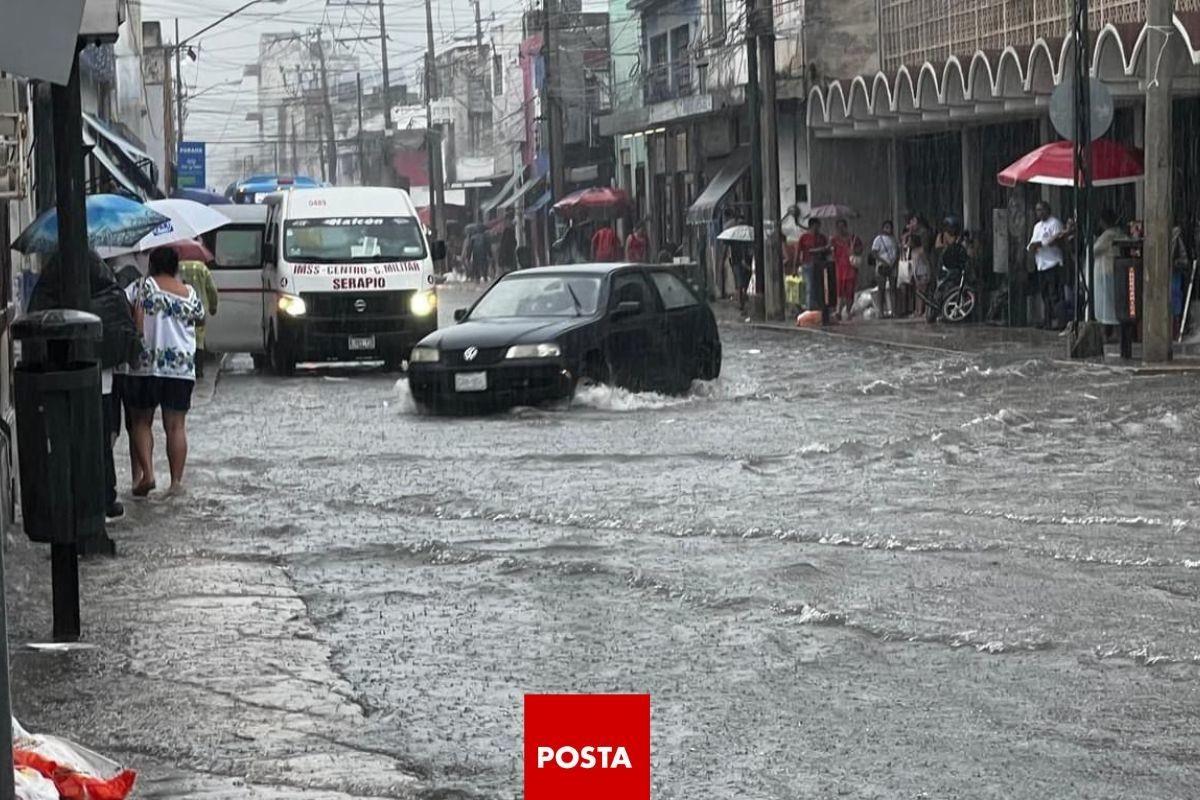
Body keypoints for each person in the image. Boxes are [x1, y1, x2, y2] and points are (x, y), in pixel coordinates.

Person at [29, 250, 139, 524]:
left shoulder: (53, 294)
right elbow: (124, 335)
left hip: (63, 382)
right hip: (102, 382)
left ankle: (75, 499)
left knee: (70, 440)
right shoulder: (111, 294)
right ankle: (104, 497)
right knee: (101, 442)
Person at [125, 247, 206, 497]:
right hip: (180, 368)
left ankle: (147, 474)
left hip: (146, 365)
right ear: (175, 267)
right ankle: (176, 483)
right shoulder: (190, 294)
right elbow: (200, 318)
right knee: (176, 426)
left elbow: (125, 309)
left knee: (141, 421)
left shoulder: (141, 287)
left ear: (152, 265)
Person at [1028, 201, 1067, 329]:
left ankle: (1061, 322)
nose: (1039, 213)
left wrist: (1043, 244)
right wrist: (1032, 248)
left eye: (1041, 210)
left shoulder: (1054, 223)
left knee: (1055, 295)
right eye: (1037, 210)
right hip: (1041, 264)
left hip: (1053, 263)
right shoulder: (1037, 226)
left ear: (1047, 210)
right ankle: (1048, 321)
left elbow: (1059, 240)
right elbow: (1032, 243)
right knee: (1045, 295)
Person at [179, 254, 218, 378]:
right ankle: (199, 370)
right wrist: (213, 306)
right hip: (199, 310)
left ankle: (185, 367)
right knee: (199, 340)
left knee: (183, 338)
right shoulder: (202, 268)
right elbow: (212, 289)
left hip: (181, 309)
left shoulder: (178, 267)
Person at [796, 218, 833, 323]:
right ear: (812, 226)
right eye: (816, 226)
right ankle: (809, 309)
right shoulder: (804, 237)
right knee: (809, 288)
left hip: (820, 265)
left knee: (820, 288)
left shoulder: (822, 238)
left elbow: (827, 251)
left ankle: (818, 310)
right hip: (808, 264)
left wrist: (828, 248)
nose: (818, 228)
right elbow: (801, 252)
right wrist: (795, 266)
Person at [1090, 208, 1123, 327]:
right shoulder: (1118, 232)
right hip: (1112, 270)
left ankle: (1108, 331)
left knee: (1107, 303)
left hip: (1105, 271)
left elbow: (1094, 250)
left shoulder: (1108, 234)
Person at [831, 219, 863, 321]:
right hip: (839, 269)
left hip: (851, 269)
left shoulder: (854, 239)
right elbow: (832, 254)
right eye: (838, 227)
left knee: (850, 291)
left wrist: (853, 250)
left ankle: (848, 311)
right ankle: (838, 311)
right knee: (840, 292)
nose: (841, 229)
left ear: (846, 226)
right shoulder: (834, 240)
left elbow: (860, 250)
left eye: (842, 226)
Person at [871, 219, 900, 318]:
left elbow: (897, 253)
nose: (888, 229)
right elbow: (874, 253)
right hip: (882, 266)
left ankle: (894, 311)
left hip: (893, 267)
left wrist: (894, 263)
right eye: (886, 227)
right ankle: (881, 312)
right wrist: (883, 261)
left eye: (890, 227)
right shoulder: (878, 239)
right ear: (883, 228)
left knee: (893, 289)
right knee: (881, 289)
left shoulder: (894, 239)